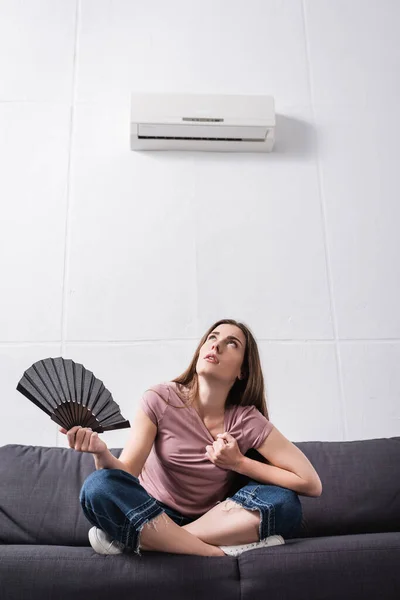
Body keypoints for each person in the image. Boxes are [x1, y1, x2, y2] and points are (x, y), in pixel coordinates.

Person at [60, 319, 322, 557]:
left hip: (215, 521)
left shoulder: (246, 420)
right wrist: (100, 453)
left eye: (231, 343)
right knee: (98, 486)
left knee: (286, 504)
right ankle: (216, 554)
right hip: (150, 511)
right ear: (200, 351)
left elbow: (311, 484)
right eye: (212, 338)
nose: (216, 345)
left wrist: (239, 463)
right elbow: (126, 473)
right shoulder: (160, 399)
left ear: (243, 370)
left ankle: (152, 541)